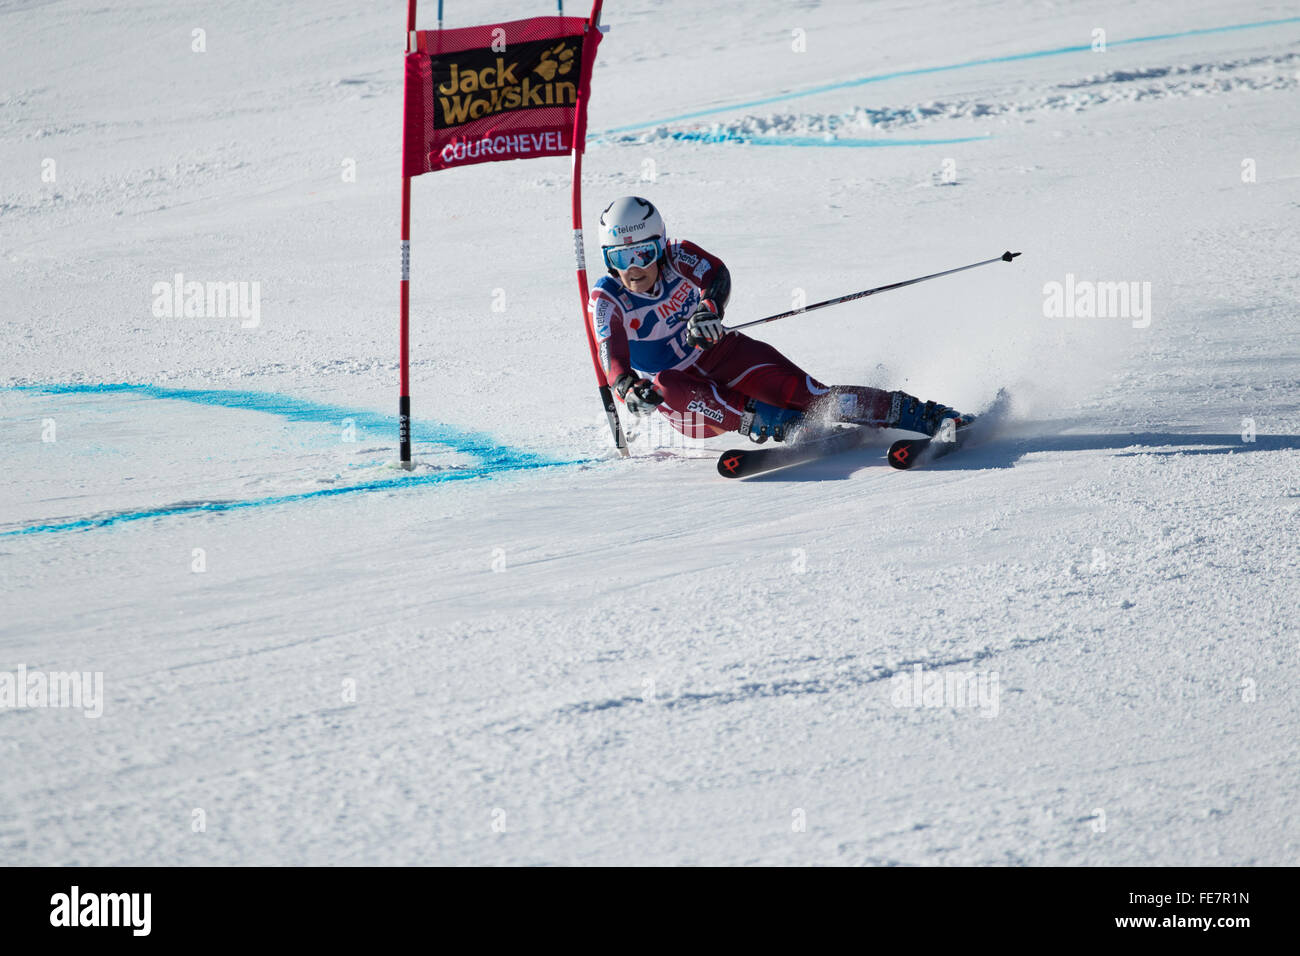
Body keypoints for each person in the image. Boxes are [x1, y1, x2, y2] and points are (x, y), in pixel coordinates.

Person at [589, 196, 968, 444]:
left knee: (813, 396)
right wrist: (628, 390)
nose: (634, 268)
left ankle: (926, 415)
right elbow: (614, 360)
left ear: (660, 245)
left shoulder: (679, 256)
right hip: (692, 407)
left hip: (724, 356)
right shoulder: (607, 300)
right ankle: (773, 423)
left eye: (644, 253)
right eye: (621, 259)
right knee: (666, 384)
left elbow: (717, 276)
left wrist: (709, 310)